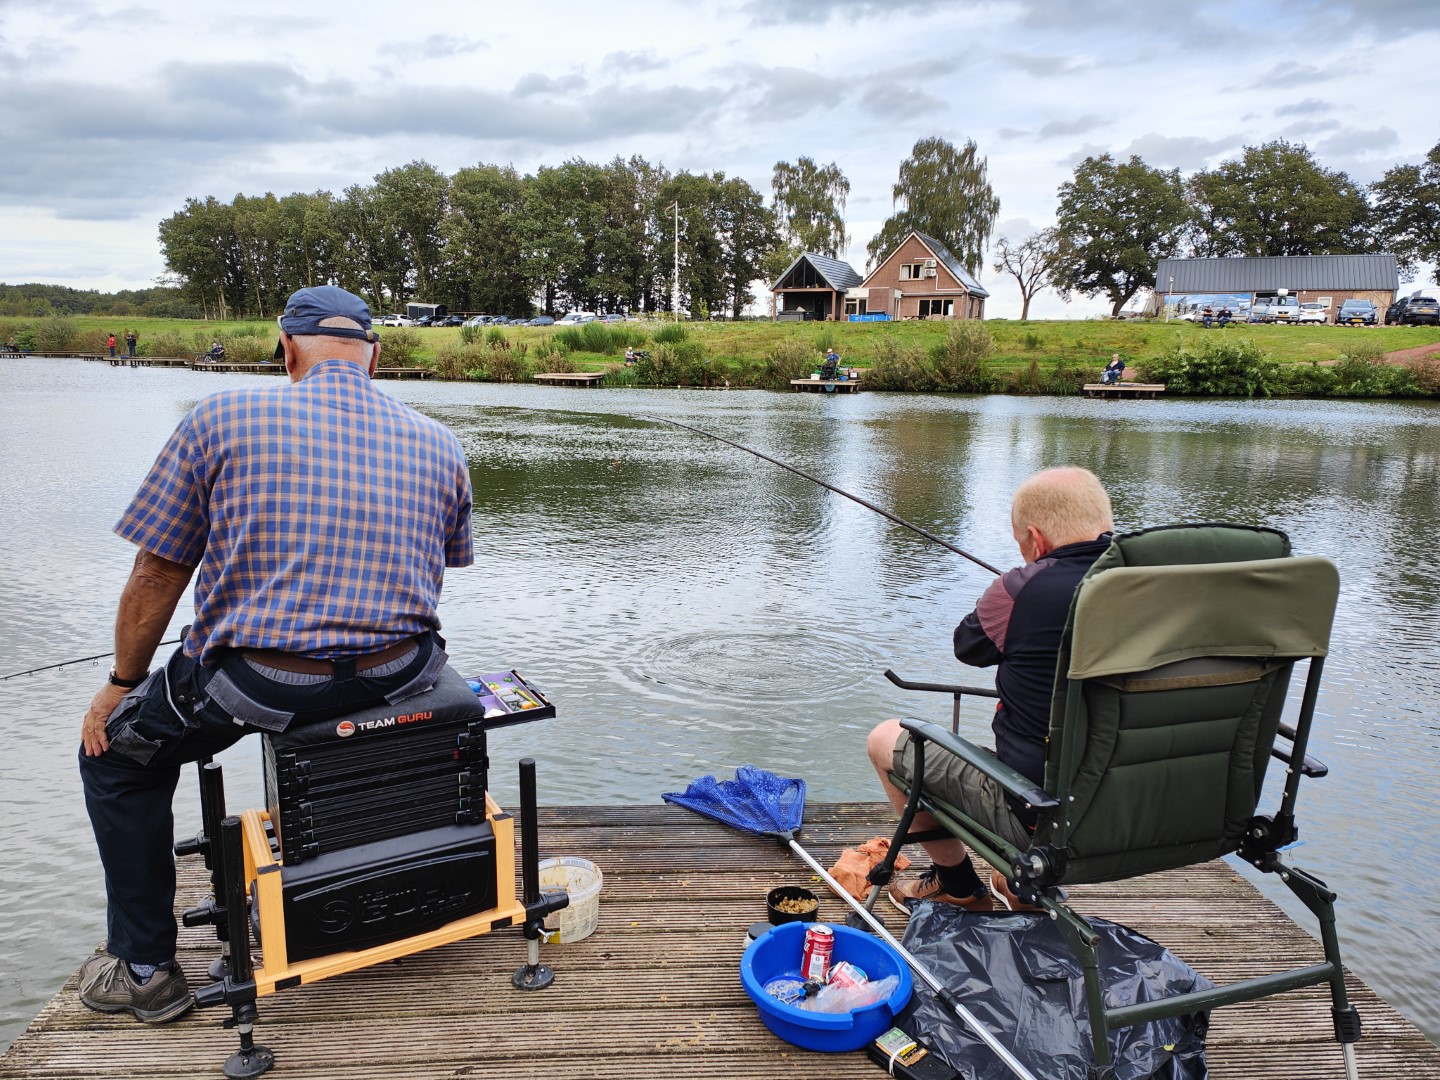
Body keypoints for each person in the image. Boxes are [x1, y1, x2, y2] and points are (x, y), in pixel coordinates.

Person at [76, 285, 474, 1025]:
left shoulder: (220, 418)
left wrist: (120, 683)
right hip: (401, 671)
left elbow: (158, 573)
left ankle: (144, 968)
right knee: (353, 704)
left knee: (116, 756)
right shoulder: (439, 440)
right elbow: (438, 565)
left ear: (286, 348)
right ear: (375, 355)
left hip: (262, 681)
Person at [867, 467, 1114, 913]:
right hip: (1150, 816)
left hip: (1043, 816)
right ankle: (1022, 886)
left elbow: (969, 645)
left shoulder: (1022, 590)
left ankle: (959, 886)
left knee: (886, 739)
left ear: (1035, 539)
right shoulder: (1167, 585)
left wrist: (1027, 580)